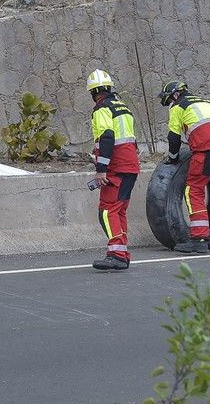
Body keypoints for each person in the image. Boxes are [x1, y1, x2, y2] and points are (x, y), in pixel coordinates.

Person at [159, 80, 210, 254]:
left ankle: (199, 238)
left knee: (193, 191)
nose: (169, 105)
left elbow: (173, 138)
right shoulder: (208, 103)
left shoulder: (178, 107)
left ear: (175, 95)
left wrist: (172, 158)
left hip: (206, 151)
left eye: (169, 101)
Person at [86, 69, 140, 271]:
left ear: (93, 92)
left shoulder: (102, 109)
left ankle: (116, 254)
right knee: (119, 211)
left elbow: (107, 137)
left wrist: (101, 169)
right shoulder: (123, 108)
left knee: (108, 211)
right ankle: (122, 253)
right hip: (130, 166)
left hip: (116, 167)